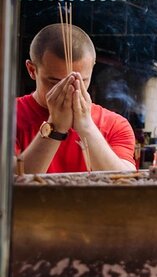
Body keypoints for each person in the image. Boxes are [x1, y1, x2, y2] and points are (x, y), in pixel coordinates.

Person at [15, 24, 136, 174]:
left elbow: (125, 185)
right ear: (32, 70)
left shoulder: (114, 125)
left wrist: (86, 127)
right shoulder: (9, 117)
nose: (70, 90)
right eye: (55, 82)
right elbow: (9, 182)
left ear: (92, 68)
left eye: (81, 81)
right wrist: (55, 128)